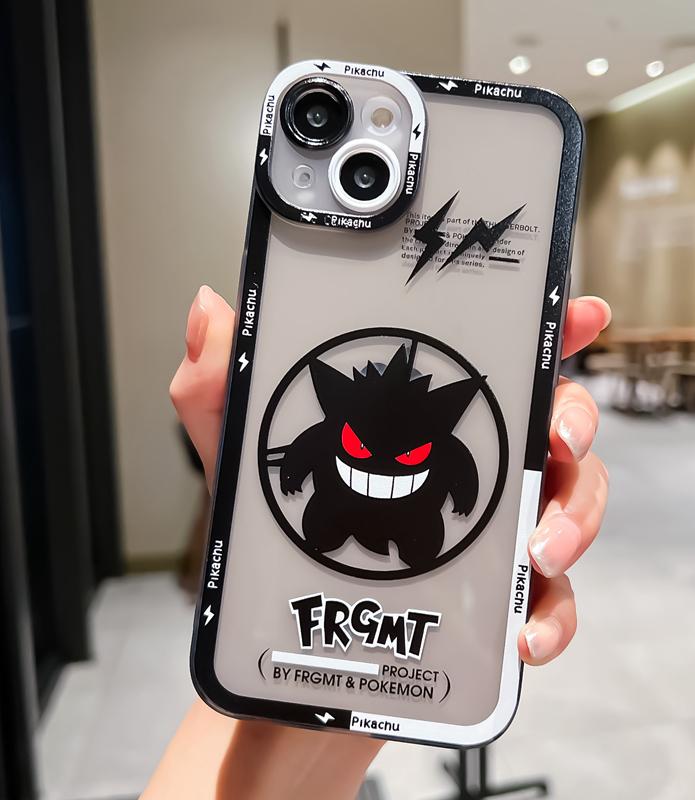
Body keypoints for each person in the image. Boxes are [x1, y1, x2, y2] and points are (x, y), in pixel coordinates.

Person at [143, 288, 611, 800]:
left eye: (409, 454)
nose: (382, 461)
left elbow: (462, 472)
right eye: (358, 445)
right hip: (332, 519)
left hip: (415, 529)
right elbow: (306, 450)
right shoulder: (330, 439)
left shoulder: (445, 454)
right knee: (329, 530)